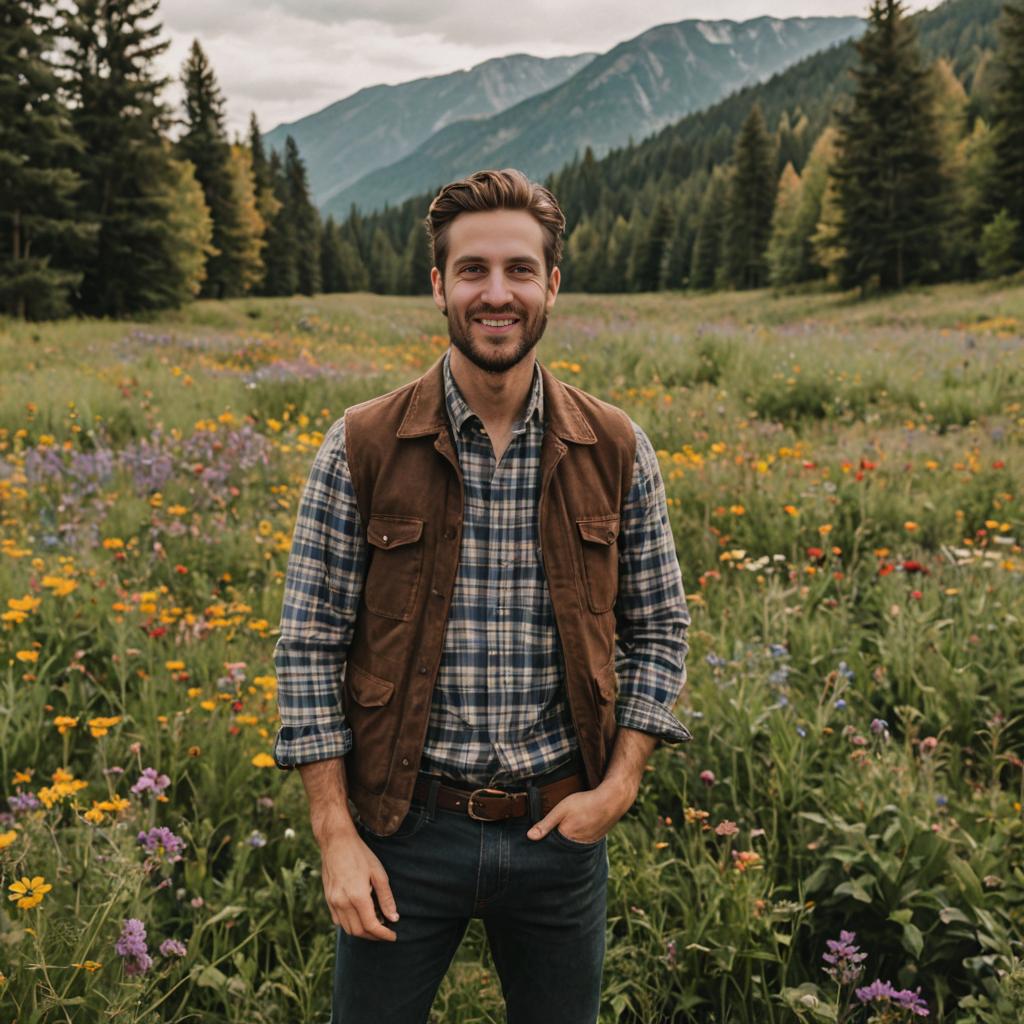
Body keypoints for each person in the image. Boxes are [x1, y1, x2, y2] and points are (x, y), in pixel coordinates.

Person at [273, 168, 691, 1024]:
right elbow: (308, 644)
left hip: (559, 831)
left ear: (552, 287)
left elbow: (658, 627)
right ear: (437, 285)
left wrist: (617, 789)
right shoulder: (362, 443)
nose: (495, 293)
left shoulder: (616, 447)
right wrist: (336, 835)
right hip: (401, 829)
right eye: (472, 271)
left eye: (518, 270)